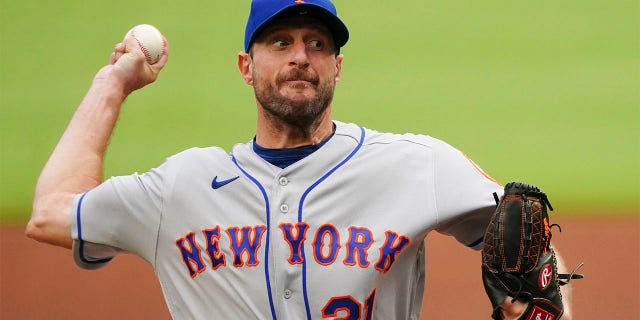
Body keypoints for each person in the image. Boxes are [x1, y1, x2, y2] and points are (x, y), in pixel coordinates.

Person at [26, 0, 574, 319]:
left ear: (338, 66)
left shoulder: (415, 165)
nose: (300, 58)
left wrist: (547, 308)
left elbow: (530, 241)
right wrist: (112, 83)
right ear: (246, 65)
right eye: (281, 42)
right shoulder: (181, 187)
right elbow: (52, 211)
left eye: (316, 43)